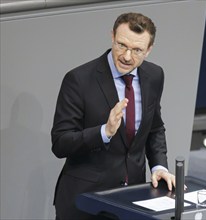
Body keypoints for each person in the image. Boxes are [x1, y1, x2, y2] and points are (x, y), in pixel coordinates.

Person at [51, 12, 176, 220]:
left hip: (131, 199)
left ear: (149, 50)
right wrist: (104, 132)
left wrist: (159, 165)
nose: (127, 56)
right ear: (112, 37)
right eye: (121, 45)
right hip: (85, 202)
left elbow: (154, 128)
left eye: (137, 50)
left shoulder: (154, 76)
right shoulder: (79, 80)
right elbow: (60, 143)